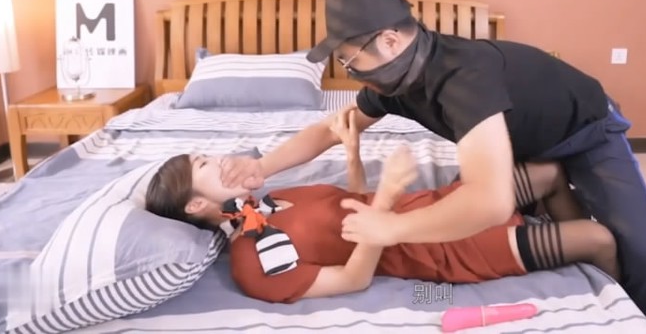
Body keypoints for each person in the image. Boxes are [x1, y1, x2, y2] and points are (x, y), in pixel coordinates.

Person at [219, 0, 646, 332]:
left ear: (390, 42)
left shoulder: (464, 79)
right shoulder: (396, 84)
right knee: (548, 181)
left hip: (587, 128)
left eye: (349, 59)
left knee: (645, 255)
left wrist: (392, 227)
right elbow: (329, 130)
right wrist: (261, 166)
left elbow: (491, 202)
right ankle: (580, 261)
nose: (350, 72)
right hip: (526, 141)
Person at [146, 109, 621, 304]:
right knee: (598, 238)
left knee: (549, 171)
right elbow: (354, 279)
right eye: (205, 164)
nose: (220, 160)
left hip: (436, 203)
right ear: (196, 204)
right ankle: (619, 294)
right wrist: (389, 198)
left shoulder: (270, 199)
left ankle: (576, 262)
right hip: (443, 249)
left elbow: (353, 205)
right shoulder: (252, 265)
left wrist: (351, 152)